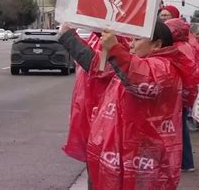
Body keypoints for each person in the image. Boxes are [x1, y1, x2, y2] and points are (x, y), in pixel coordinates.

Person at [59, 21, 184, 189]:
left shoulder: (164, 68)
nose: (131, 45)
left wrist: (114, 48)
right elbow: (98, 67)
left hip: (144, 160)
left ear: (157, 44)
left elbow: (139, 78)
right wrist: (69, 36)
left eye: (137, 40)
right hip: (120, 155)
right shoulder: (134, 62)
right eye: (130, 40)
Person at [165, 18, 199, 173]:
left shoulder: (177, 49)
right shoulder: (185, 46)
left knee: (178, 129)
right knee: (181, 129)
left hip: (178, 94)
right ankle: (186, 162)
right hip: (185, 94)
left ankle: (184, 162)